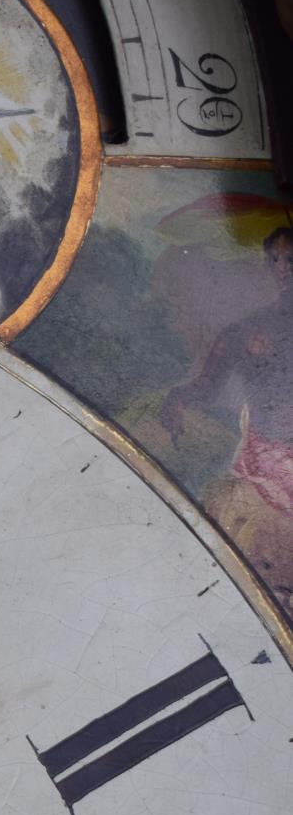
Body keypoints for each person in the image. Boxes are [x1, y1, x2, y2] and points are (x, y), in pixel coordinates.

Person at [163, 221, 293, 601]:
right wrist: (179, 397)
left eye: (292, 258)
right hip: (263, 468)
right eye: (276, 259)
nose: (284, 268)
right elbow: (208, 383)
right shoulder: (248, 328)